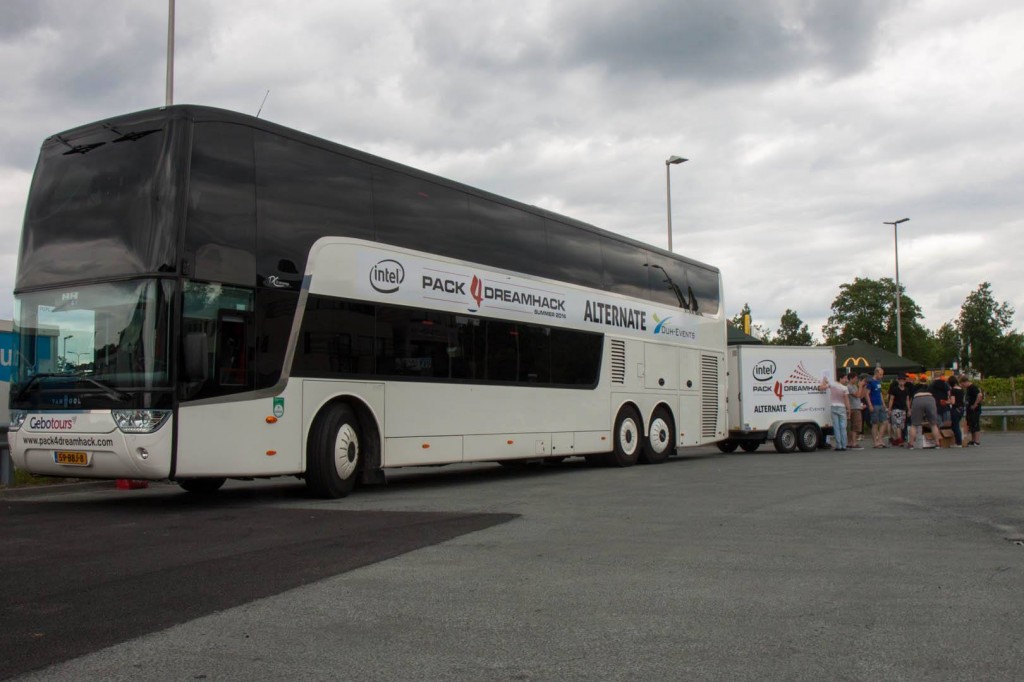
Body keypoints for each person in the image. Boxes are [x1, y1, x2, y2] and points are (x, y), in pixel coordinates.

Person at [820, 373, 851, 451]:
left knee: (836, 427)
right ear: (840, 378)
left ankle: (838, 445)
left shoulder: (832, 384)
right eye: (845, 378)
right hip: (842, 408)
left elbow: (821, 388)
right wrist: (849, 410)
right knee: (843, 427)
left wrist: (824, 381)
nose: (846, 380)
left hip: (833, 407)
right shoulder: (844, 388)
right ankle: (844, 445)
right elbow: (846, 400)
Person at [908, 381, 942, 449]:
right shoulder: (929, 389)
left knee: (914, 424)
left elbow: (910, 400)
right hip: (930, 398)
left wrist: (909, 409)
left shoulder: (915, 390)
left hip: (918, 399)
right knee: (933, 424)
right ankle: (937, 443)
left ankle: (911, 444)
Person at [865, 366, 889, 448]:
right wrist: (870, 405)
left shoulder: (878, 382)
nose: (881, 376)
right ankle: (875, 441)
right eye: (881, 374)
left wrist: (884, 404)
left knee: (885, 422)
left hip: (880, 404)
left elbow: (880, 393)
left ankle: (880, 438)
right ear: (876, 373)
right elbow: (867, 394)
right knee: (875, 424)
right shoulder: (870, 382)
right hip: (874, 404)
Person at [887, 375, 911, 446]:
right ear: (898, 381)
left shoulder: (906, 390)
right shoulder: (894, 389)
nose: (901, 382)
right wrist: (889, 409)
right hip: (896, 408)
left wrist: (909, 409)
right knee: (897, 424)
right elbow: (891, 399)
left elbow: (907, 400)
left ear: (905, 381)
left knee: (901, 425)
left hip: (903, 409)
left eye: (903, 381)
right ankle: (899, 439)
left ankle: (897, 439)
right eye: (900, 381)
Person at [962, 376, 984, 446]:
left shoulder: (973, 387)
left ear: (965, 382)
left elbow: (980, 395)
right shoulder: (968, 388)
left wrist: (975, 404)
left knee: (975, 424)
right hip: (970, 409)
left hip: (975, 409)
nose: (963, 386)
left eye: (963, 384)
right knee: (971, 424)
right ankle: (973, 439)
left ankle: (977, 441)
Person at [847, 372, 865, 449]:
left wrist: (863, 387)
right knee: (855, 427)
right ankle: (853, 443)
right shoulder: (849, 386)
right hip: (853, 408)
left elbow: (860, 396)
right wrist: (860, 386)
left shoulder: (854, 386)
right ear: (851, 378)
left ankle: (851, 442)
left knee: (854, 426)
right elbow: (857, 395)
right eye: (855, 378)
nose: (856, 380)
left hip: (857, 407)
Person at [948, 375, 965, 447]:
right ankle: (959, 441)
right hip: (961, 409)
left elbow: (953, 402)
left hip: (955, 409)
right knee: (956, 425)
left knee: (955, 426)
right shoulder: (961, 389)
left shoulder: (953, 390)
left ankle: (958, 443)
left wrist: (946, 402)